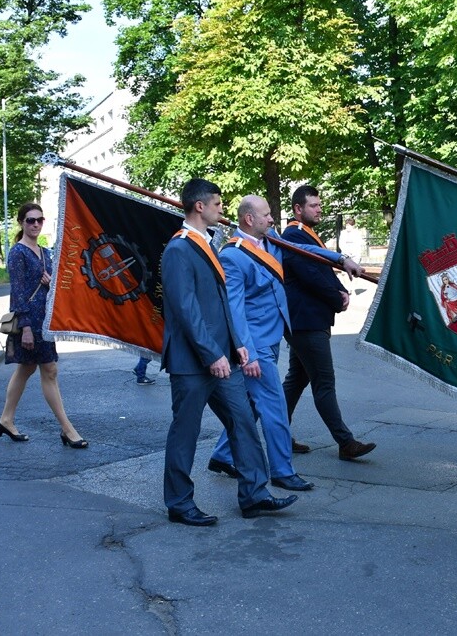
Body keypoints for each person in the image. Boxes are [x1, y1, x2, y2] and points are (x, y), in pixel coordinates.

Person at [160, 178, 297, 525]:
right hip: (194, 362)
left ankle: (254, 494)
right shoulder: (179, 249)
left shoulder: (209, 244)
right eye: (218, 204)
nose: (223, 210)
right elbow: (185, 310)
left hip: (225, 358)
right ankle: (179, 503)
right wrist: (212, 354)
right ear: (200, 207)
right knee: (185, 433)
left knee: (243, 422)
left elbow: (225, 304)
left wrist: (238, 345)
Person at [206, 195, 362, 491]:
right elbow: (235, 310)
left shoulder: (271, 241)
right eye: (266, 214)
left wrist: (341, 260)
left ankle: (223, 455)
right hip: (255, 346)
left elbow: (303, 249)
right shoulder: (233, 255)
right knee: (275, 406)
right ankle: (281, 471)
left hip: (274, 334)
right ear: (249, 219)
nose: (272, 219)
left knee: (253, 403)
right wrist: (248, 354)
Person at [282, 185, 376, 460]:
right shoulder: (292, 235)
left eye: (319, 204)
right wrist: (337, 297)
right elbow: (311, 275)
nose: (319, 209)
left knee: (296, 380)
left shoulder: (306, 235)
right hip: (306, 322)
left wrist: (341, 289)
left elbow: (322, 267)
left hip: (307, 320)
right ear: (298, 209)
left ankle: (278, 436)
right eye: (314, 205)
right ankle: (346, 442)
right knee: (323, 382)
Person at [0, 203, 87, 449]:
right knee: (50, 370)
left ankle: (6, 419)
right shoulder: (18, 253)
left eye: (39, 220)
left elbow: (57, 286)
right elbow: (17, 292)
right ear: (21, 223)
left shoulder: (46, 253)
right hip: (30, 321)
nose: (35, 224)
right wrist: (25, 326)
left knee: (26, 369)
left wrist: (50, 283)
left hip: (45, 319)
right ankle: (68, 429)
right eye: (30, 220)